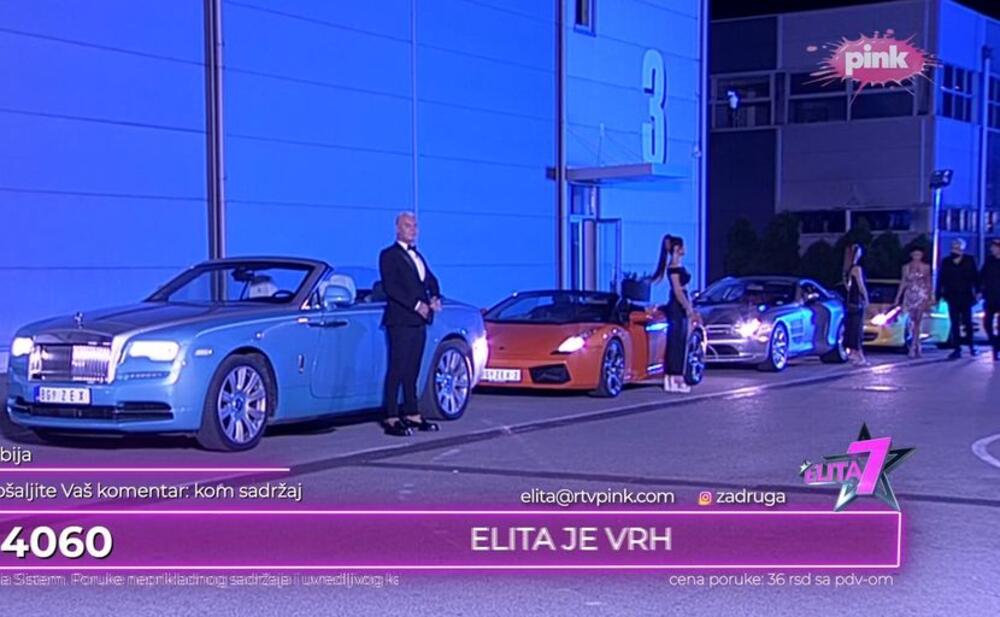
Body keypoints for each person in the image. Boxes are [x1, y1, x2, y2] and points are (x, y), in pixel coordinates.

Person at [378, 211, 442, 437]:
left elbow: (431, 280)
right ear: (397, 228)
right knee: (397, 367)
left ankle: (412, 412)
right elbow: (392, 287)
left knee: (413, 368)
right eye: (407, 225)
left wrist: (435, 298)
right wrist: (416, 305)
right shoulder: (388, 255)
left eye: (415, 225)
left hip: (419, 322)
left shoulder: (418, 255)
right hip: (401, 320)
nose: (412, 229)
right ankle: (391, 416)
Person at [652, 234, 695, 393]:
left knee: (678, 342)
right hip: (677, 307)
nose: (685, 249)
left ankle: (671, 379)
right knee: (677, 342)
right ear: (677, 248)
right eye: (682, 246)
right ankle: (675, 377)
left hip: (679, 304)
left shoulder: (675, 266)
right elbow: (678, 290)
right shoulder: (674, 268)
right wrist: (687, 307)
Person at [937, 238, 979, 360]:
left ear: (962, 248)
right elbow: (941, 279)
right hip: (952, 296)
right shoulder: (946, 261)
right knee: (954, 323)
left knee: (967, 322)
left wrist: (978, 291)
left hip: (966, 296)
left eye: (957, 247)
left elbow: (975, 276)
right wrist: (938, 295)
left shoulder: (969, 260)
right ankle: (957, 349)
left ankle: (971, 345)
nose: (955, 249)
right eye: (953, 246)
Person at [892, 246, 932, 358]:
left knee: (918, 321)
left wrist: (930, 296)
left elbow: (928, 282)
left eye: (919, 255)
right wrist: (898, 297)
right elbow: (903, 282)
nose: (916, 257)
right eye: (915, 255)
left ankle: (913, 347)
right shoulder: (906, 267)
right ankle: (917, 345)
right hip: (910, 295)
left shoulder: (926, 267)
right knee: (912, 321)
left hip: (921, 294)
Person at [843, 243, 869, 366]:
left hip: (850, 302)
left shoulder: (847, 270)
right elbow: (861, 285)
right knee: (857, 329)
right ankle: (859, 354)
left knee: (852, 327)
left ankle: (853, 353)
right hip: (858, 301)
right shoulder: (857, 269)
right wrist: (866, 298)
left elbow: (848, 287)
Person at [980, 239, 1000, 361]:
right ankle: (995, 343)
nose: (992, 249)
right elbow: (982, 276)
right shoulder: (989, 261)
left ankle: (996, 349)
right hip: (990, 297)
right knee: (987, 323)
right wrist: (980, 290)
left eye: (994, 247)